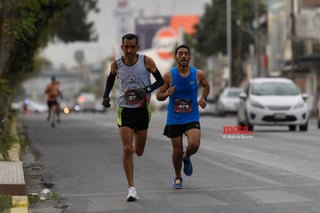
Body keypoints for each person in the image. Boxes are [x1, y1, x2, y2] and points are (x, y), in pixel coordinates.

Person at [102, 33, 164, 201]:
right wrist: (106, 97)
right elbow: (110, 80)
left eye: (132, 47)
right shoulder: (116, 64)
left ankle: (135, 146)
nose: (129, 50)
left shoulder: (146, 61)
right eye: (126, 47)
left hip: (142, 109)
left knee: (139, 151)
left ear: (137, 47)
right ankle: (131, 188)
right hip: (125, 110)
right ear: (122, 47)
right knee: (127, 148)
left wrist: (147, 90)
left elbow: (161, 81)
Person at [156, 44, 210, 189]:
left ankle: (187, 157)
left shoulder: (197, 74)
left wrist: (203, 98)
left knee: (194, 144)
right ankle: (178, 177)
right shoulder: (169, 75)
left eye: (186, 53)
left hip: (191, 116)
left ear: (189, 57)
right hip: (174, 118)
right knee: (177, 150)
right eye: (180, 53)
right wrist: (167, 93)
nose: (183, 56)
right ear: (176, 57)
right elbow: (158, 95)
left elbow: (206, 85)